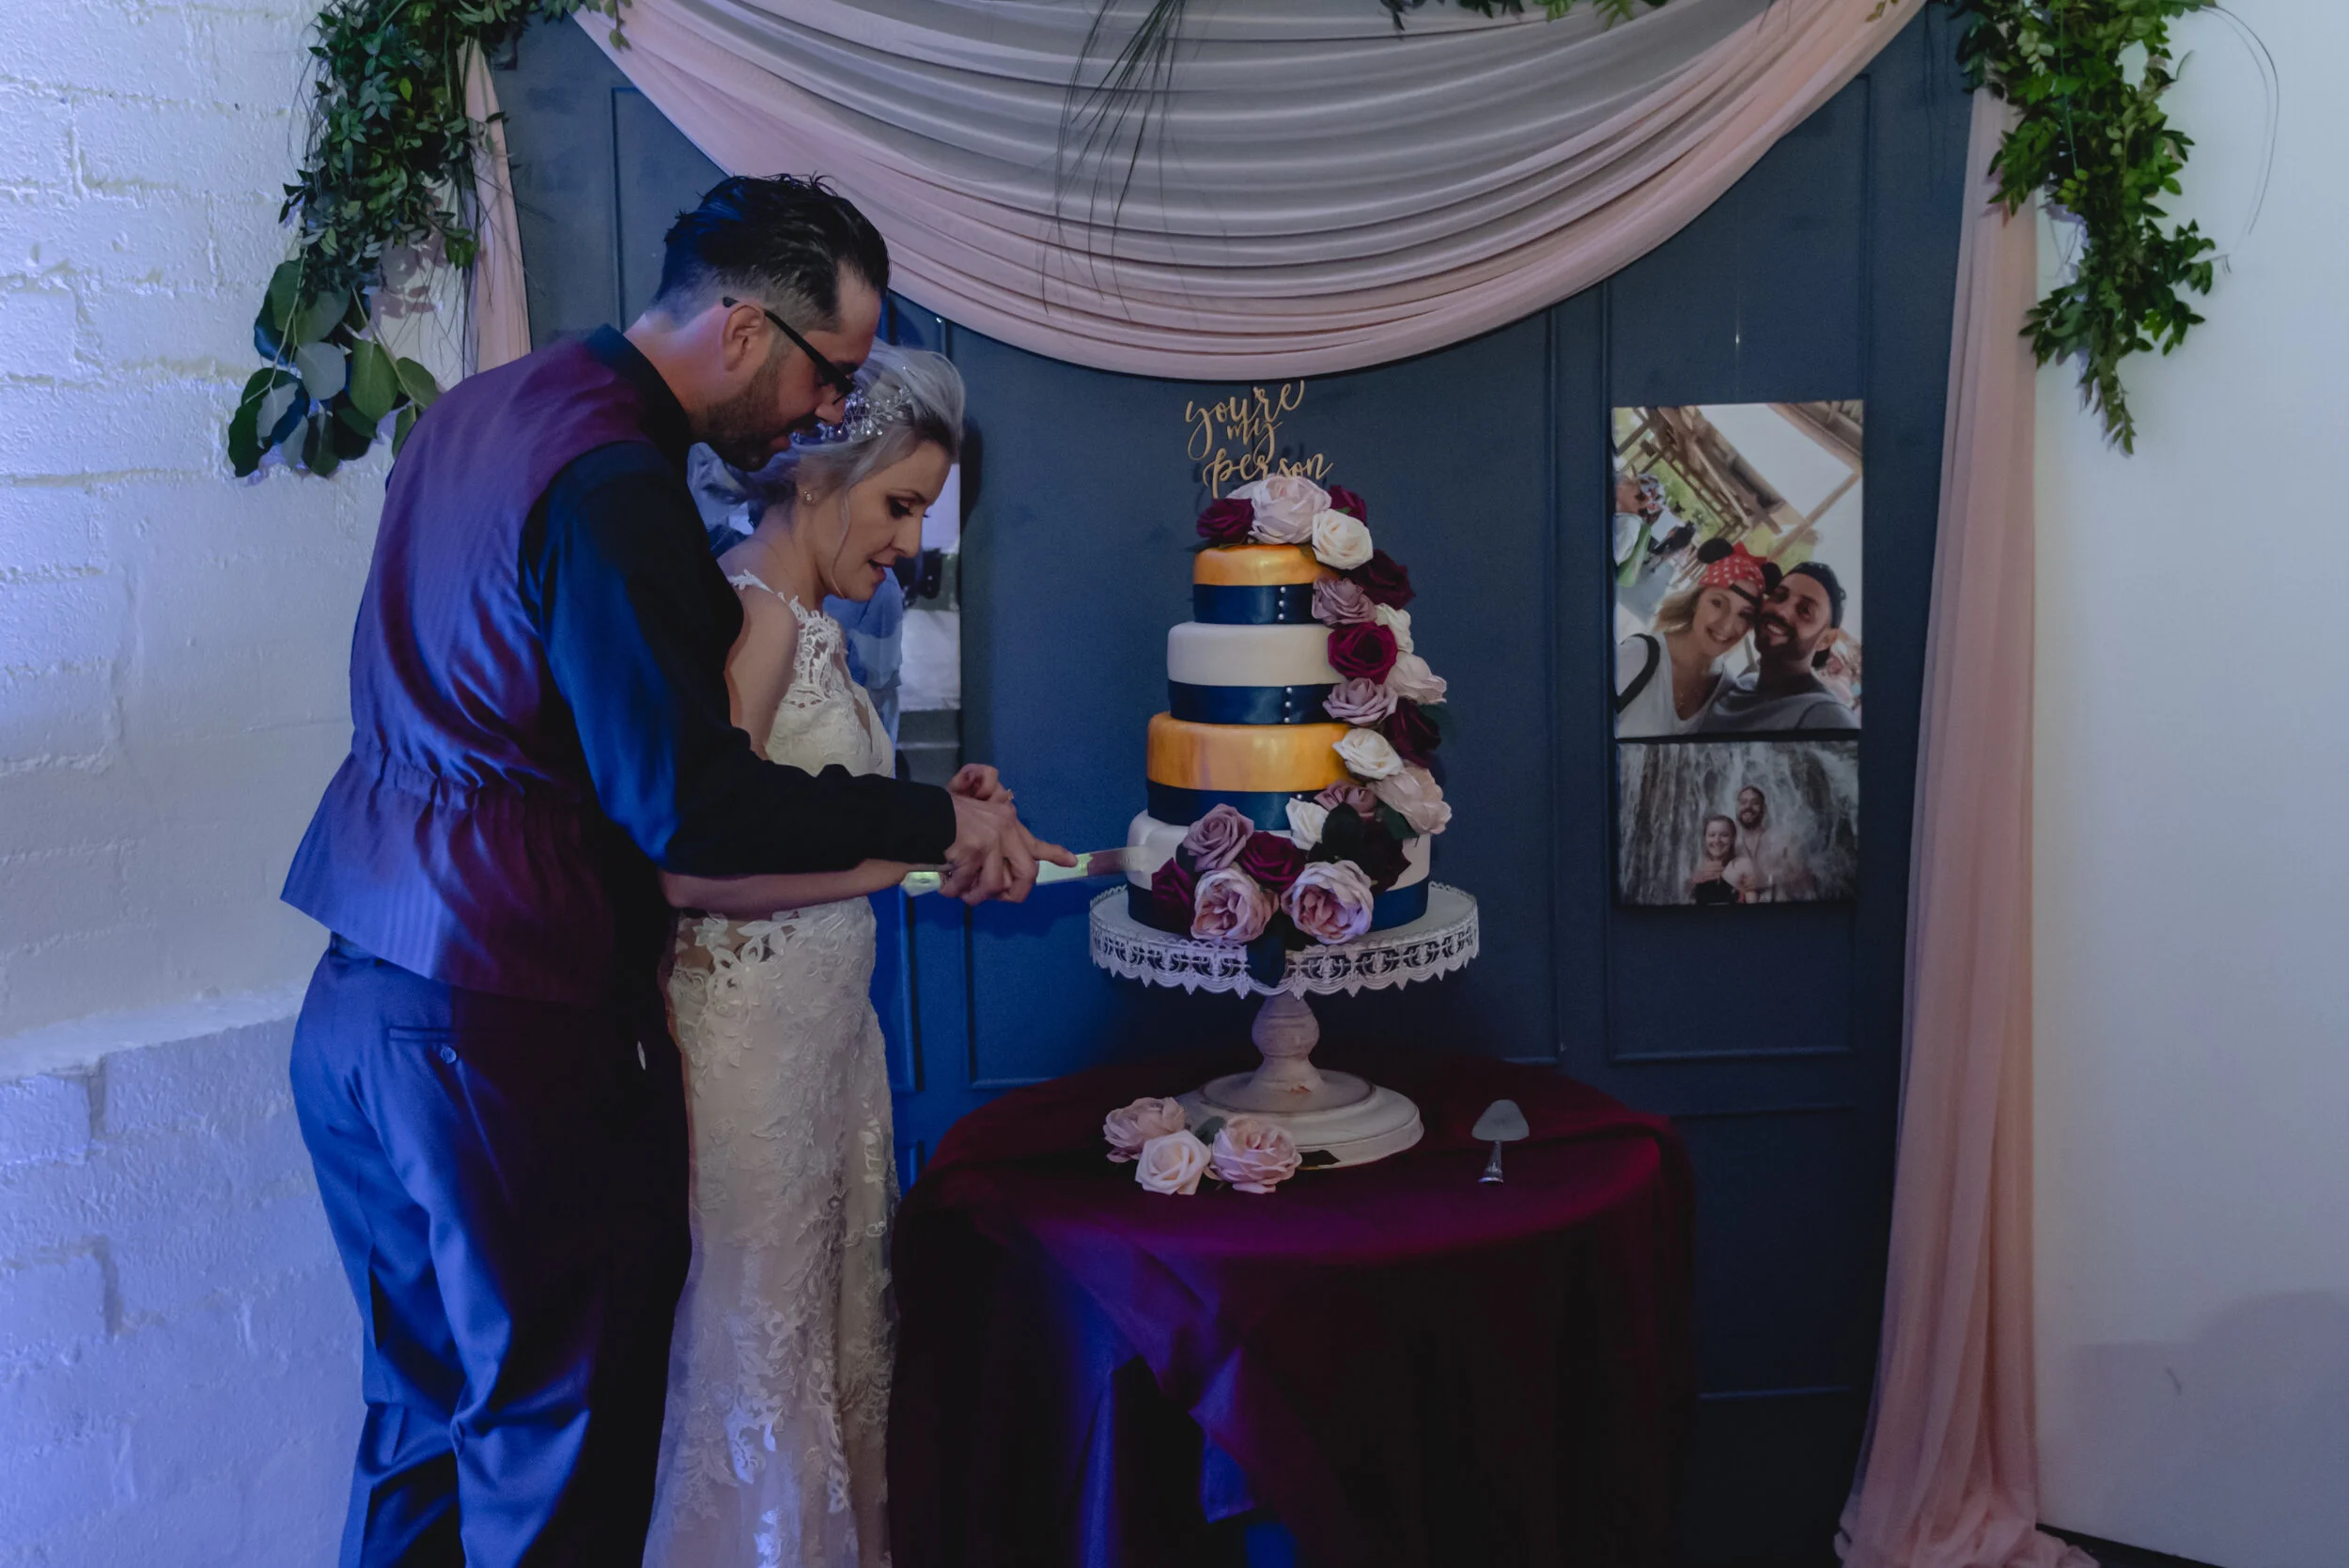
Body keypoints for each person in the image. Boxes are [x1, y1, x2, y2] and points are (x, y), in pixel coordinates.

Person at [281, 174, 1068, 1568]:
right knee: (554, 1460)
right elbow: (685, 813)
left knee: (420, 1427)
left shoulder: (479, 413)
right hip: (500, 1020)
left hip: (358, 996)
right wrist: (928, 825)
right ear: (744, 326)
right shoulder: (614, 481)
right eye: (830, 374)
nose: (831, 410)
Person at [641, 347, 962, 1567]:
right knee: (758, 1356)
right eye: (900, 504)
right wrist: (900, 858)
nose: (911, 541)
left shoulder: (813, 623)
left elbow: (819, 818)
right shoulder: (753, 615)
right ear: (819, 479)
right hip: (751, 1068)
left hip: (825, 1049)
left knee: (829, 1348)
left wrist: (934, 824)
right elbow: (691, 872)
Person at [1613, 540, 1765, 737]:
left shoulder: (1727, 691)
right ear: (1696, 601)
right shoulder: (1636, 657)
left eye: (1744, 615)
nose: (1727, 625)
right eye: (1718, 603)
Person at [1699, 559, 1859, 733]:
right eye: (1780, 595)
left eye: (1805, 610)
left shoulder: (1824, 716)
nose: (1781, 611)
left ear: (1826, 639)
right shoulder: (1743, 683)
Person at [1733, 784, 1815, 903]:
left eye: (1755, 803)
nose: (1748, 806)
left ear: (1764, 809)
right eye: (1743, 802)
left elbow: (1806, 879)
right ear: (1737, 808)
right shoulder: (1728, 845)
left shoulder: (1784, 839)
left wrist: (1768, 880)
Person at [1687, 814, 1755, 905]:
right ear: (1705, 838)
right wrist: (1692, 881)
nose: (1717, 840)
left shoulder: (1743, 865)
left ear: (1733, 838)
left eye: (1724, 835)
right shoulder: (1697, 866)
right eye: (1712, 835)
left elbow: (1755, 904)